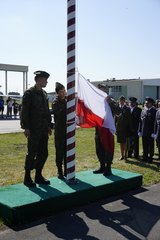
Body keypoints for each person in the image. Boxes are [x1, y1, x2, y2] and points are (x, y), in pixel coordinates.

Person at [21, 70, 52, 187]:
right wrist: (26, 127)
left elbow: (46, 112)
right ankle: (27, 177)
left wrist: (49, 125)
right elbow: (24, 111)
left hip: (43, 129)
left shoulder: (44, 94)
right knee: (31, 153)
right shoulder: (29, 93)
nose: (47, 82)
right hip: (33, 129)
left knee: (44, 153)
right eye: (45, 79)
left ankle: (38, 175)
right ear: (39, 80)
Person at [93, 84, 120, 176]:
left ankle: (108, 167)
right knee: (99, 148)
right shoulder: (96, 102)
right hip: (98, 129)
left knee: (108, 147)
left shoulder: (110, 100)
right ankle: (102, 166)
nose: (102, 92)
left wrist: (110, 103)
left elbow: (118, 111)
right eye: (100, 90)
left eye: (103, 90)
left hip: (108, 129)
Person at [52, 82, 66, 179]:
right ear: (57, 93)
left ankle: (67, 170)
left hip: (67, 130)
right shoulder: (55, 102)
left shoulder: (66, 101)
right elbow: (59, 112)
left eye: (64, 91)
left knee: (67, 151)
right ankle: (59, 171)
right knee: (59, 152)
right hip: (59, 130)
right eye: (61, 91)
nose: (63, 93)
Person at [138, 97, 156, 163]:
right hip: (144, 131)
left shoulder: (154, 111)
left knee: (150, 145)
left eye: (147, 103)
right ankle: (145, 157)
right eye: (145, 103)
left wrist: (154, 132)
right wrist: (139, 130)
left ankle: (150, 157)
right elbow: (141, 121)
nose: (146, 104)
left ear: (151, 103)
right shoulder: (143, 110)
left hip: (150, 132)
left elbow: (155, 123)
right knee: (144, 144)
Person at [115, 95, 132, 160]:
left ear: (124, 101)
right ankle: (122, 155)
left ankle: (125, 155)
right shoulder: (117, 108)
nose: (121, 101)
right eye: (120, 100)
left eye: (122, 100)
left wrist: (129, 128)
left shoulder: (127, 108)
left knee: (125, 142)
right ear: (119, 101)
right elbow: (115, 118)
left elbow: (128, 119)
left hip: (125, 128)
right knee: (120, 142)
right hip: (119, 128)